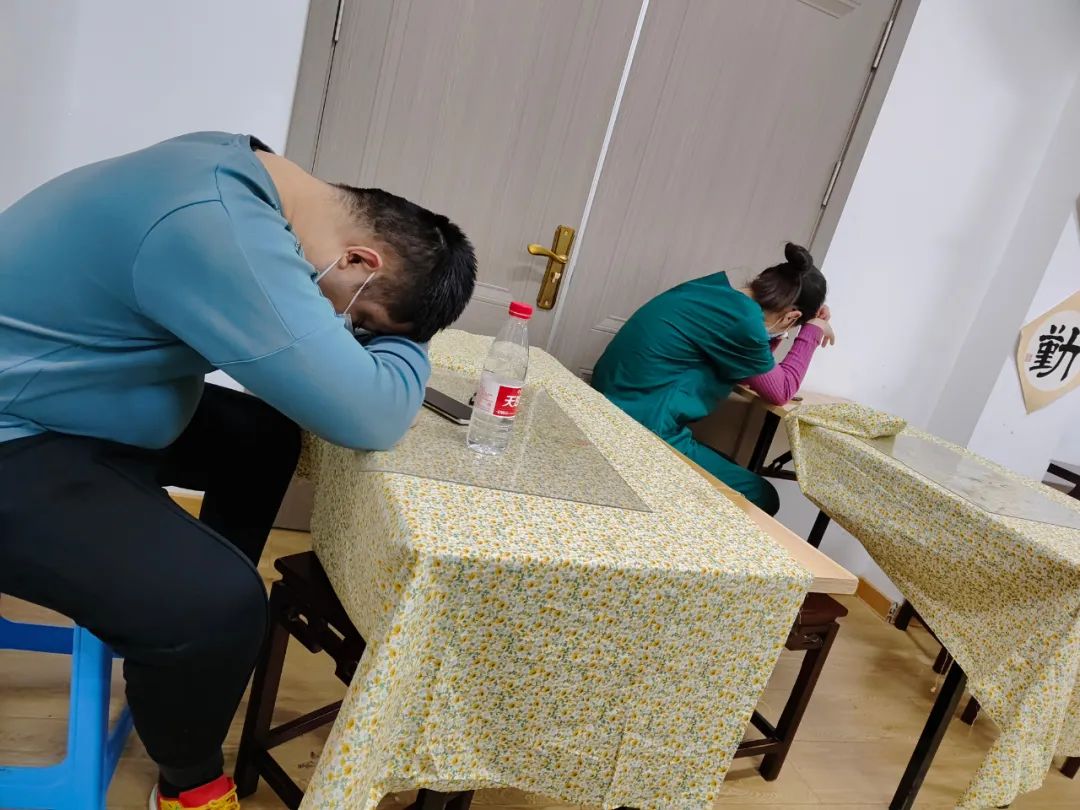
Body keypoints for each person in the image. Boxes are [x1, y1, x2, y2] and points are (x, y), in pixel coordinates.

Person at [0, 132, 476, 809]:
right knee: (220, 604)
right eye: (362, 317)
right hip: (19, 429)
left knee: (263, 437)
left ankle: (188, 643)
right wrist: (409, 340)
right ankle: (189, 777)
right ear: (359, 260)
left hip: (62, 397)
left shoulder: (242, 172)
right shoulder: (215, 224)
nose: (345, 326)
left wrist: (384, 330)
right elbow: (370, 414)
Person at [592, 243, 833, 516]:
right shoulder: (743, 321)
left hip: (615, 404)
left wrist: (780, 330)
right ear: (792, 316)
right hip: (641, 425)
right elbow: (781, 390)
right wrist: (812, 331)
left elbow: (749, 372)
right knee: (762, 496)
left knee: (729, 464)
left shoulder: (712, 292)